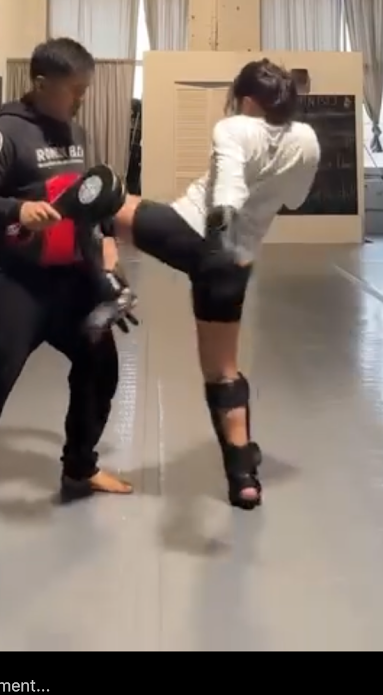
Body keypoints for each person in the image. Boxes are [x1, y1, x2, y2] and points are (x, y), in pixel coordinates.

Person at [76, 60, 321, 510]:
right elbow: (295, 198)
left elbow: (226, 188)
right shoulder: (306, 140)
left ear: (247, 100)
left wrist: (220, 223)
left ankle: (110, 279)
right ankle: (243, 477)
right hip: (233, 262)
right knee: (223, 371)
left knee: (101, 195)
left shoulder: (234, 127)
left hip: (189, 231)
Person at [0, 37, 135, 510]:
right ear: (41, 85)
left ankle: (80, 466)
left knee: (100, 365)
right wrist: (16, 209)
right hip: (18, 283)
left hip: (73, 281)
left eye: (85, 89)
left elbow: (88, 199)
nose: (81, 99)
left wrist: (106, 247)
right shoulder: (5, 134)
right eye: (74, 90)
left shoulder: (76, 133)